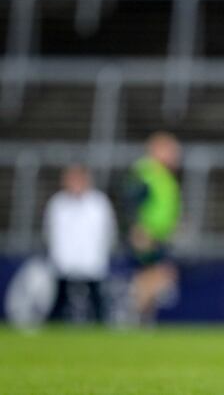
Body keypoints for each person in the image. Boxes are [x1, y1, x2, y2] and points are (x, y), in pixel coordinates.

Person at [122, 131, 182, 325]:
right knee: (154, 276)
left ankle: (142, 318)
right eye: (170, 150)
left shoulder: (162, 175)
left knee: (151, 277)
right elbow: (131, 201)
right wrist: (137, 229)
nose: (175, 155)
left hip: (158, 235)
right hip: (146, 234)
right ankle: (132, 315)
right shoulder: (147, 173)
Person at [44, 164, 116, 323]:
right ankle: (51, 328)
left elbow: (108, 231)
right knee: (60, 299)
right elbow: (50, 233)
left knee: (96, 300)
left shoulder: (99, 203)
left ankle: (101, 329)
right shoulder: (57, 203)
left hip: (91, 259)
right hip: (65, 259)